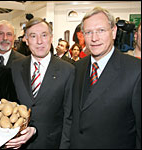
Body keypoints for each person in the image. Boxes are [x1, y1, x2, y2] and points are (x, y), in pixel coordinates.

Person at [70, 7, 141, 149]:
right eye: (89, 32)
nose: (94, 38)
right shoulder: (77, 67)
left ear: (113, 32)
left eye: (101, 30)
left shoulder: (135, 70)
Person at [9, 17, 75, 149]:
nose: (39, 41)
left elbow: (69, 116)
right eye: (33, 36)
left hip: (52, 144)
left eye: (44, 35)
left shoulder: (68, 70)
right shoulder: (15, 67)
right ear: (26, 40)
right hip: (19, 144)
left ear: (51, 38)